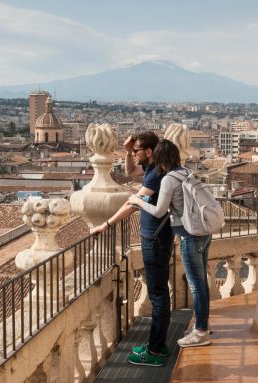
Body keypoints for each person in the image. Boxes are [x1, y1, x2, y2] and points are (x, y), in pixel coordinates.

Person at [90, 132, 174, 367]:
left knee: (158, 296)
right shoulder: (153, 169)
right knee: (159, 294)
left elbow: (132, 204)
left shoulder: (157, 174)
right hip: (156, 238)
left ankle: (155, 352)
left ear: (149, 152)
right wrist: (127, 151)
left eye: (137, 151)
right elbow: (130, 172)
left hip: (156, 240)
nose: (134, 155)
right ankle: (158, 345)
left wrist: (106, 225)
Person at [128, 139, 212, 348]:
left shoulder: (168, 179)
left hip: (188, 235)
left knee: (196, 286)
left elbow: (159, 211)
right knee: (202, 284)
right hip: (203, 232)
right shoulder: (184, 171)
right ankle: (202, 326)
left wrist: (137, 201)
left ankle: (200, 332)